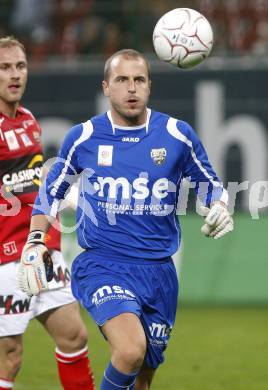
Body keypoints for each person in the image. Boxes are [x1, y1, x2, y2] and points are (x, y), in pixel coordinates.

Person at [19, 49, 234, 389]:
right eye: (122, 80)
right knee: (131, 350)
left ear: (149, 86)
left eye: (139, 80)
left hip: (159, 273)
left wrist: (221, 207)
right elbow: (51, 192)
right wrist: (34, 241)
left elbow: (213, 188)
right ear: (106, 87)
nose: (131, 88)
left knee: (142, 378)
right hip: (103, 265)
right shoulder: (83, 137)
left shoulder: (177, 135)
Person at [0, 36, 95, 390]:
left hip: (41, 248)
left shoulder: (27, 120)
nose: (15, 75)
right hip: (6, 257)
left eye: (20, 66)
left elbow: (31, 178)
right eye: (5, 67)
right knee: (10, 357)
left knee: (74, 337)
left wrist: (61, 195)